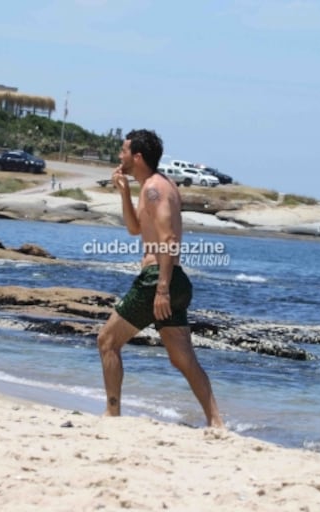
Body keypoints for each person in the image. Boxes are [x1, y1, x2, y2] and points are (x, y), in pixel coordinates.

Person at [97, 129, 224, 428]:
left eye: (123, 151)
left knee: (107, 341)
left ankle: (112, 414)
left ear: (137, 157)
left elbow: (167, 238)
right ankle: (216, 422)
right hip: (170, 278)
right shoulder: (149, 188)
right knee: (182, 359)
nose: (119, 156)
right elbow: (134, 229)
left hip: (158, 278)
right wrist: (124, 192)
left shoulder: (155, 189)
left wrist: (162, 289)